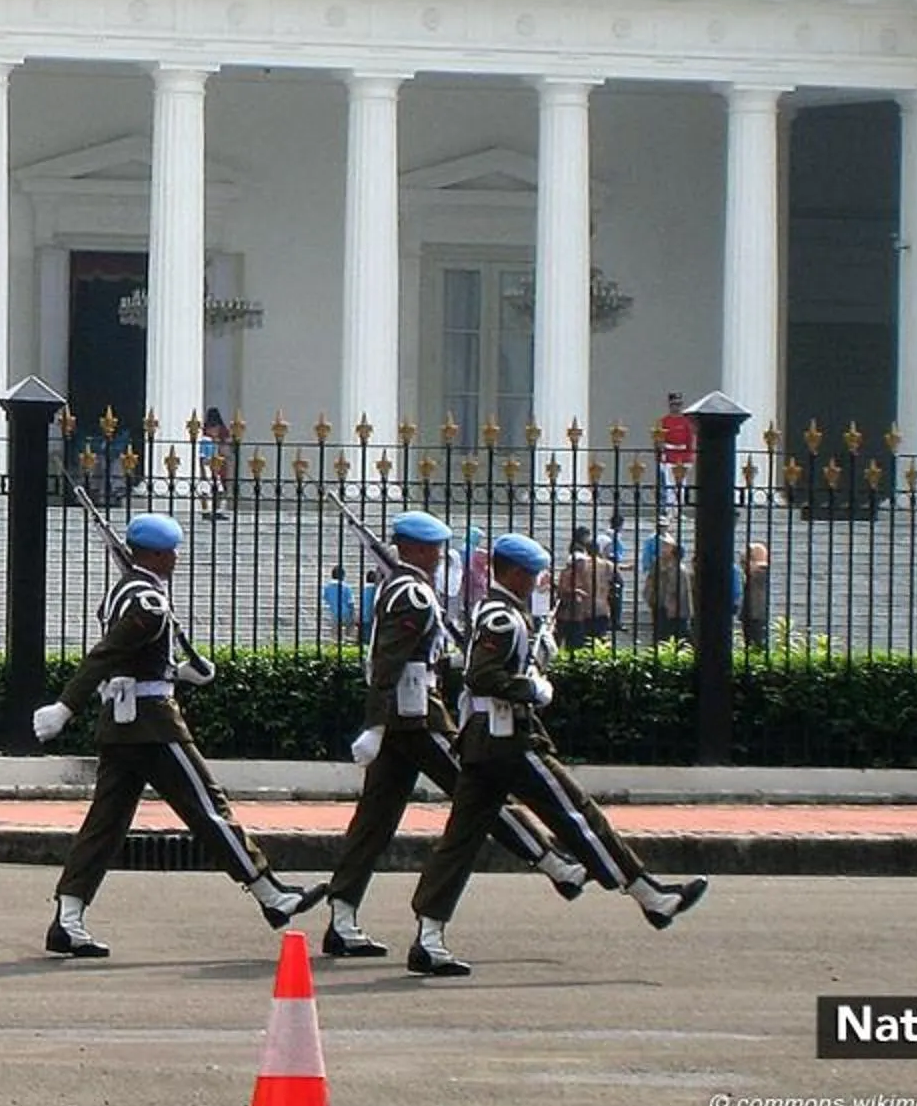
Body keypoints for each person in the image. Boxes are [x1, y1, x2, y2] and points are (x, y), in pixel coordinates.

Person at [401, 533, 708, 976]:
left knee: (461, 840)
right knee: (578, 815)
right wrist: (531, 687)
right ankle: (649, 895)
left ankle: (429, 937)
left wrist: (535, 661)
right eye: (530, 574)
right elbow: (481, 675)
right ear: (512, 573)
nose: (536, 581)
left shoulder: (503, 613)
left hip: (483, 743)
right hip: (507, 740)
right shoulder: (502, 617)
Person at [29, 512, 321, 957]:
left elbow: (136, 661)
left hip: (124, 725)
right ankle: (271, 895)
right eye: (170, 550)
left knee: (104, 826)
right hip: (153, 724)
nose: (177, 557)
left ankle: (68, 920)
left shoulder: (129, 594)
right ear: (150, 553)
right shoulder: (146, 602)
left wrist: (181, 672)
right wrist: (65, 707)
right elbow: (105, 657)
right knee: (209, 807)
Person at [316, 512, 594, 959]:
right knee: (477, 795)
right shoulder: (412, 593)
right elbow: (389, 662)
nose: (441, 554)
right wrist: (374, 723)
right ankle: (551, 862)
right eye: (436, 547)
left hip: (404, 717)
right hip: (418, 717)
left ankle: (343, 917)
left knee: (375, 821)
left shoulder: (402, 588)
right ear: (418, 549)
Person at [556, 529, 615, 650]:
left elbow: (566, 583)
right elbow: (614, 583)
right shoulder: (608, 566)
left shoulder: (581, 564)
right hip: (603, 608)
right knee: (599, 644)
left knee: (584, 645)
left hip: (586, 609)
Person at [645, 533, 693, 646]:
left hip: (674, 611)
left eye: (665, 547)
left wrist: (670, 606)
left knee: (674, 638)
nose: (662, 550)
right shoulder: (662, 566)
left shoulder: (679, 570)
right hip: (662, 607)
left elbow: (677, 591)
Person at [656, 392, 696, 514]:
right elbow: (659, 439)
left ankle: (678, 510)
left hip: (683, 456)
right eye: (674, 404)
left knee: (681, 485)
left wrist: (690, 456)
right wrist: (661, 455)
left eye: (679, 404)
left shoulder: (687, 421)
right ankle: (669, 510)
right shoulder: (664, 421)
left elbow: (690, 439)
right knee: (669, 485)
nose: (676, 407)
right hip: (669, 455)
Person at [197, 407, 232, 521]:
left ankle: (217, 510)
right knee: (206, 491)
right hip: (209, 468)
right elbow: (203, 458)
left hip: (215, 467)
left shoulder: (213, 441)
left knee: (219, 490)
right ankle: (206, 511)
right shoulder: (206, 441)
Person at [739, 540, 773, 651]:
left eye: (744, 561)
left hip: (756, 614)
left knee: (757, 642)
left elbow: (757, 569)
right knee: (750, 642)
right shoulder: (752, 574)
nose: (742, 565)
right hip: (750, 613)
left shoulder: (761, 572)